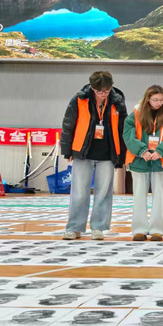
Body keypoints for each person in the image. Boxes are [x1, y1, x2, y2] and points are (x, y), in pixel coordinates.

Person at [61, 71, 128, 240]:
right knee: (79, 192)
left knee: (103, 192)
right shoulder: (79, 99)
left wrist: (122, 156)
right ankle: (74, 227)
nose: (103, 94)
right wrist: (67, 150)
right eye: (99, 91)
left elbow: (124, 129)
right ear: (92, 88)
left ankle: (98, 227)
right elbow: (68, 125)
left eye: (106, 91)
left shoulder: (118, 100)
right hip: (83, 152)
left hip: (108, 153)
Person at [123, 85, 163, 242]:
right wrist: (142, 151)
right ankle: (139, 230)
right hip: (139, 160)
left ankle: (157, 230)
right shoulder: (134, 116)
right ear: (148, 99)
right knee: (139, 196)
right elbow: (128, 136)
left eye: (161, 100)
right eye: (155, 100)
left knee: (159, 197)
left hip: (161, 162)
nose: (158, 103)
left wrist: (160, 151)